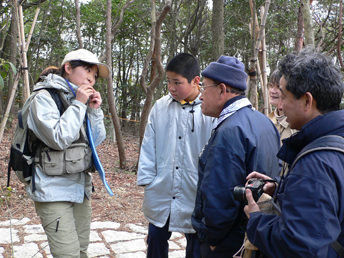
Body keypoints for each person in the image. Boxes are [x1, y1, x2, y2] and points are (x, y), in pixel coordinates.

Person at [244, 47, 344, 257]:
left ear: (307, 101)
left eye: (284, 96)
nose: (280, 105)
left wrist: (256, 220)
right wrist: (283, 190)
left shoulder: (315, 164)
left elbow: (297, 246)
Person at [191, 56, 281, 257]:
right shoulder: (264, 122)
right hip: (258, 235)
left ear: (222, 90)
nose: (200, 97)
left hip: (229, 243)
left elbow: (220, 194)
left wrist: (212, 240)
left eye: (204, 88)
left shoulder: (230, 131)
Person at [26, 49, 110, 257]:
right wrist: (79, 104)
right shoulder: (43, 97)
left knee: (81, 249)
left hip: (80, 186)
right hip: (52, 190)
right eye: (88, 70)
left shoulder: (77, 98)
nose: (91, 77)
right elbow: (58, 138)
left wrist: (93, 110)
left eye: (95, 75)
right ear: (68, 67)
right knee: (68, 254)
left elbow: (95, 140)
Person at [137, 53, 214, 258]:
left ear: (196, 81)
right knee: (155, 237)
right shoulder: (161, 107)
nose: (171, 87)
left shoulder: (209, 111)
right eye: (169, 82)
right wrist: (147, 180)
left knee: (195, 243)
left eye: (177, 82)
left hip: (195, 190)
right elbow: (148, 145)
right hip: (162, 188)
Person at [267, 69, 297, 143]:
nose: (272, 91)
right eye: (271, 85)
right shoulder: (267, 121)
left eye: (278, 87)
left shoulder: (297, 124)